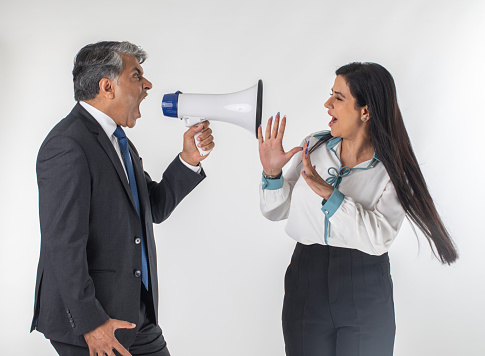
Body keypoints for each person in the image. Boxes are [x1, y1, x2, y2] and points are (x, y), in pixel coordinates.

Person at [258, 62, 458, 356]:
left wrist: (331, 194)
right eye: (331, 95)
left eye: (338, 98)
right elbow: (275, 211)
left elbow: (379, 239)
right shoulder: (312, 147)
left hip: (364, 284)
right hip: (306, 278)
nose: (327, 104)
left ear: (366, 111)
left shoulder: (394, 171)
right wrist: (272, 175)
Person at [30, 41, 215, 356]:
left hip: (132, 314)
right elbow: (62, 245)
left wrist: (188, 159)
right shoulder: (67, 145)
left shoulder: (117, 141)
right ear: (107, 86)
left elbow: (151, 208)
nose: (148, 85)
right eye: (136, 75)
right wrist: (91, 324)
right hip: (92, 323)